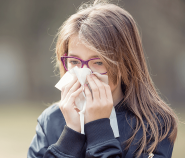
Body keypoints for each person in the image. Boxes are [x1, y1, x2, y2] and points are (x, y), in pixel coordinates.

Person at [27, 0, 178, 158]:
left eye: (98, 62)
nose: (84, 72)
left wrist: (99, 128)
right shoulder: (51, 120)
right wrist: (71, 133)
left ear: (126, 63)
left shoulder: (155, 125)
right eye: (74, 61)